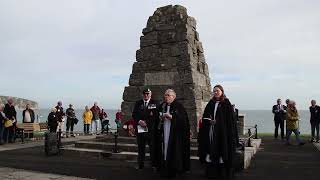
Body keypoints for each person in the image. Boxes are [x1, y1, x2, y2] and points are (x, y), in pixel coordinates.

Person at [198, 85, 238, 180]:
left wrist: (218, 122)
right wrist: (209, 121)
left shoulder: (226, 103)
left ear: (222, 91)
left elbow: (230, 120)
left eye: (217, 90)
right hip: (211, 131)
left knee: (221, 150)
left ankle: (222, 174)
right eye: (214, 91)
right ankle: (212, 173)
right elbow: (205, 116)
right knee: (211, 149)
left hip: (223, 133)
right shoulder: (211, 103)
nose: (215, 92)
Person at [157, 89, 190, 177]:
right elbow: (156, 118)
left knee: (174, 150)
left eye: (168, 95)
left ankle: (174, 169)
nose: (166, 97)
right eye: (165, 95)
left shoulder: (179, 106)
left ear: (173, 96)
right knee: (164, 149)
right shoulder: (162, 106)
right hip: (164, 131)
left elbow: (183, 121)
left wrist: (172, 117)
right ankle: (164, 167)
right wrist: (160, 118)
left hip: (175, 135)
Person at [132, 88, 160, 170]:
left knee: (152, 148)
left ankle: (154, 165)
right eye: (144, 94)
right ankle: (140, 164)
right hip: (140, 130)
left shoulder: (155, 103)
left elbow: (155, 116)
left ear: (150, 94)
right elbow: (134, 114)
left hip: (151, 130)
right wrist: (139, 121)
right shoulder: (138, 103)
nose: (146, 95)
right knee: (141, 148)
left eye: (148, 94)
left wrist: (146, 122)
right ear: (142, 94)